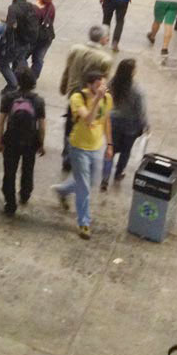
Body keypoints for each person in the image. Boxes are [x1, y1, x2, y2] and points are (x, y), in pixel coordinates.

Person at [51, 71, 113, 240]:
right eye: (98, 85)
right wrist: (97, 99)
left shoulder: (107, 98)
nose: (102, 88)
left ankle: (62, 190)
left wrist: (109, 144)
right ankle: (84, 222)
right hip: (79, 147)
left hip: (97, 146)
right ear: (89, 85)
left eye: (104, 84)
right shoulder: (78, 98)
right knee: (84, 187)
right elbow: (88, 120)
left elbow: (106, 121)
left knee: (90, 182)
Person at [101, 59, 149, 189]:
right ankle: (118, 173)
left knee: (110, 148)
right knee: (126, 151)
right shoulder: (137, 90)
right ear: (132, 72)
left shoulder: (112, 83)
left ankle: (105, 178)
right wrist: (146, 125)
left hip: (113, 121)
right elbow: (141, 111)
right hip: (130, 125)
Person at [0, 0, 39, 90]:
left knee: (2, 63)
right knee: (19, 61)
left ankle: (13, 84)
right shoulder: (31, 7)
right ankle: (23, 82)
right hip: (26, 42)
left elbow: (11, 26)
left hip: (15, 42)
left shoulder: (13, 8)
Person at [31, 0, 57, 79]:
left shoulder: (34, 8)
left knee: (22, 57)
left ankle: (24, 77)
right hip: (47, 37)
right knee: (39, 59)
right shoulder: (51, 7)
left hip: (35, 37)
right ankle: (33, 79)